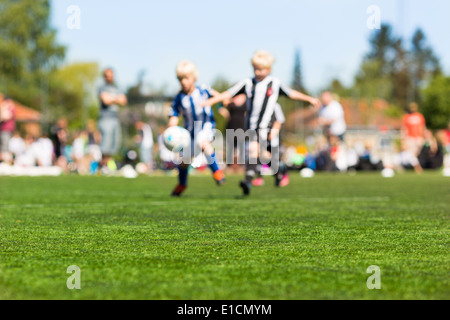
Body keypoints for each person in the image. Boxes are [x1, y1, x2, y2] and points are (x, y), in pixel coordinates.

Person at [201, 50, 320, 196]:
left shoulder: (275, 84)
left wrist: (309, 99)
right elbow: (228, 94)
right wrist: (210, 101)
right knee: (262, 155)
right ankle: (279, 169)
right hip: (250, 125)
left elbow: (291, 93)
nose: (258, 72)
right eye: (255, 69)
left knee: (253, 151)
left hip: (265, 126)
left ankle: (248, 182)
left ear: (269, 69)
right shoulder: (247, 83)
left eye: (261, 69)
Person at [168, 60, 226, 197]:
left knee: (203, 142)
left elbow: (222, 97)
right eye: (180, 79)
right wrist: (172, 127)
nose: (183, 81)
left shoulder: (203, 90)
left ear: (194, 78)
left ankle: (217, 172)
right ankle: (182, 184)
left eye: (186, 78)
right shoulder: (178, 98)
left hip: (206, 126)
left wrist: (216, 104)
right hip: (189, 133)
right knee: (184, 161)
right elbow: (173, 115)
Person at [98, 68, 127, 173]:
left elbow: (123, 101)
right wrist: (116, 99)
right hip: (106, 118)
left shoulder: (116, 88)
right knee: (106, 143)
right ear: (104, 76)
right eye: (107, 75)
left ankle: (108, 166)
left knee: (115, 143)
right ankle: (103, 167)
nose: (109, 77)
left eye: (111, 75)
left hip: (115, 119)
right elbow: (105, 100)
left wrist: (112, 98)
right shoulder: (102, 87)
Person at [0, 97, 16, 163]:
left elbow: (5, 117)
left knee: (5, 147)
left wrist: (3, 108)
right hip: (3, 130)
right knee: (3, 147)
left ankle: (6, 162)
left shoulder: (11, 109)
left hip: (6, 130)